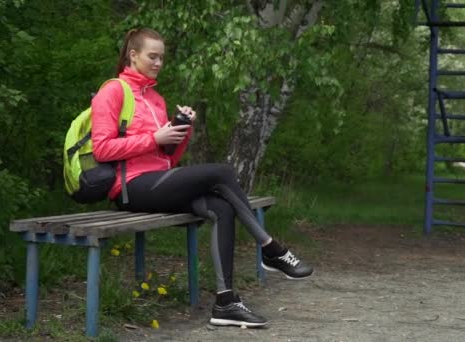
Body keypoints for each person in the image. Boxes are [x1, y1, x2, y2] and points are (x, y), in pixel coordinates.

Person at [90, 28, 313, 328]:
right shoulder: (113, 91)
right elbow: (102, 149)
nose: (158, 63)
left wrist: (182, 130)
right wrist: (155, 138)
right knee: (221, 171)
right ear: (133, 55)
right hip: (129, 188)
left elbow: (169, 159)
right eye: (152, 56)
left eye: (162, 58)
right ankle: (271, 249)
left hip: (159, 180)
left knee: (221, 209)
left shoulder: (155, 98)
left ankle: (226, 303)